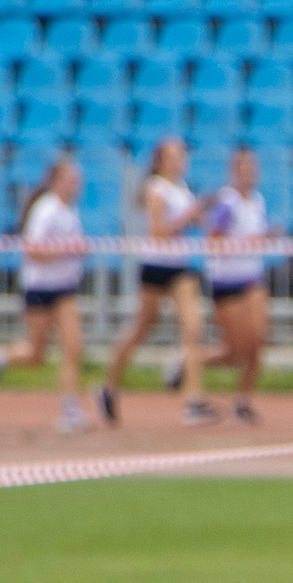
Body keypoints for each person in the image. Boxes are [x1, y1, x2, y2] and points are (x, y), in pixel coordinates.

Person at [0, 153, 93, 433]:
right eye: (71, 180)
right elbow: (33, 250)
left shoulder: (70, 211)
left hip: (65, 289)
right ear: (56, 181)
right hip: (40, 288)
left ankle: (70, 409)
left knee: (74, 346)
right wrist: (67, 250)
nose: (75, 186)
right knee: (36, 354)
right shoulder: (46, 210)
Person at [98, 136, 214, 427]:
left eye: (182, 155)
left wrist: (207, 213)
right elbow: (159, 232)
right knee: (141, 329)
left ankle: (193, 399)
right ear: (161, 160)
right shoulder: (156, 189)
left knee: (193, 326)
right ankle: (110, 384)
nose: (180, 160)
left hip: (180, 268)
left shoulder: (182, 189)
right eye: (175, 156)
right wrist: (190, 215)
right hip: (155, 267)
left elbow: (191, 223)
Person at [177, 145, 274, 427]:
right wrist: (251, 243)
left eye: (253, 170)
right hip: (227, 281)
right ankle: (188, 364)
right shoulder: (228, 203)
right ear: (234, 173)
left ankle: (243, 400)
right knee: (235, 350)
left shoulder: (257, 200)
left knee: (257, 342)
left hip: (252, 277)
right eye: (244, 170)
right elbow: (214, 241)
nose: (250, 176)